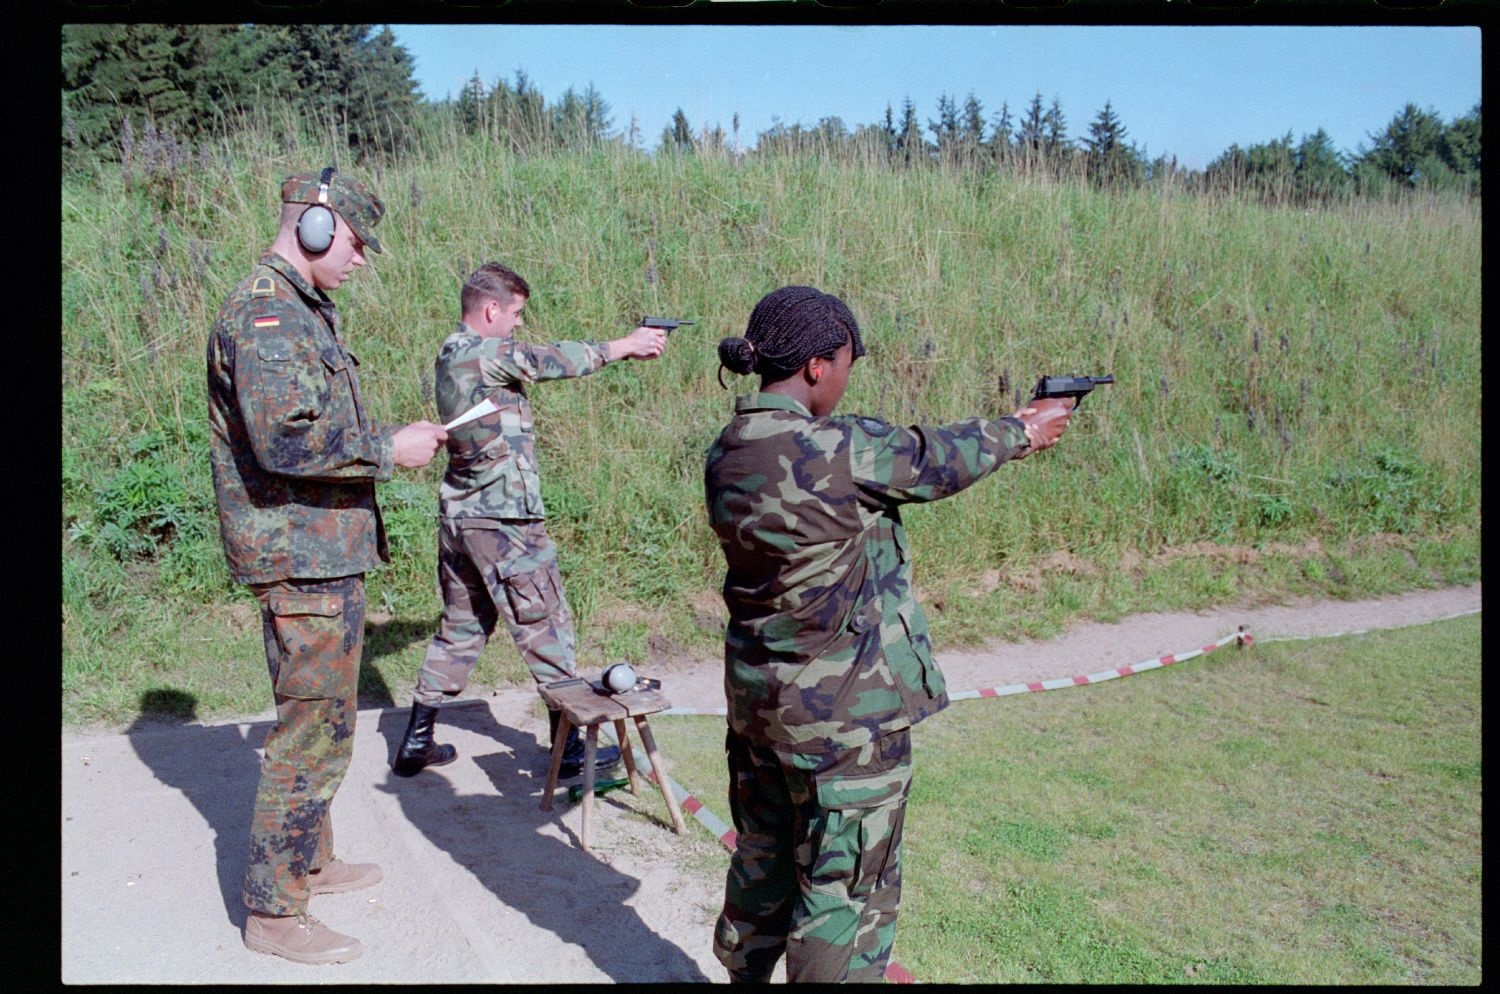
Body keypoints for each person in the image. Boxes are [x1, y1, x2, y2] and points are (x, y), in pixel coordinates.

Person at [702, 285, 1073, 982]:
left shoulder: (727, 451)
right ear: (816, 366)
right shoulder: (838, 451)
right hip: (846, 725)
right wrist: (1024, 430)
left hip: (760, 712)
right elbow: (936, 457)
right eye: (844, 362)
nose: (845, 378)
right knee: (845, 893)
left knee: (763, 862)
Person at [206, 166, 448, 965]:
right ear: (313, 225)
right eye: (353, 240)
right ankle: (274, 913)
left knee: (325, 720)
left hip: (316, 552)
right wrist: (390, 450)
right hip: (299, 556)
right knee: (312, 734)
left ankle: (310, 857)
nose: (362, 258)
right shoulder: (270, 314)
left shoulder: (298, 308)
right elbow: (284, 440)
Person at [390, 262, 668, 780]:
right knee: (546, 626)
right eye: (515, 313)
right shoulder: (482, 352)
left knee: (461, 628)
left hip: (462, 517)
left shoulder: (452, 352)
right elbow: (546, 360)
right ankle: (571, 752)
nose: (519, 323)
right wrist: (626, 346)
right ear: (491, 309)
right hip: (504, 521)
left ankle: (417, 739)